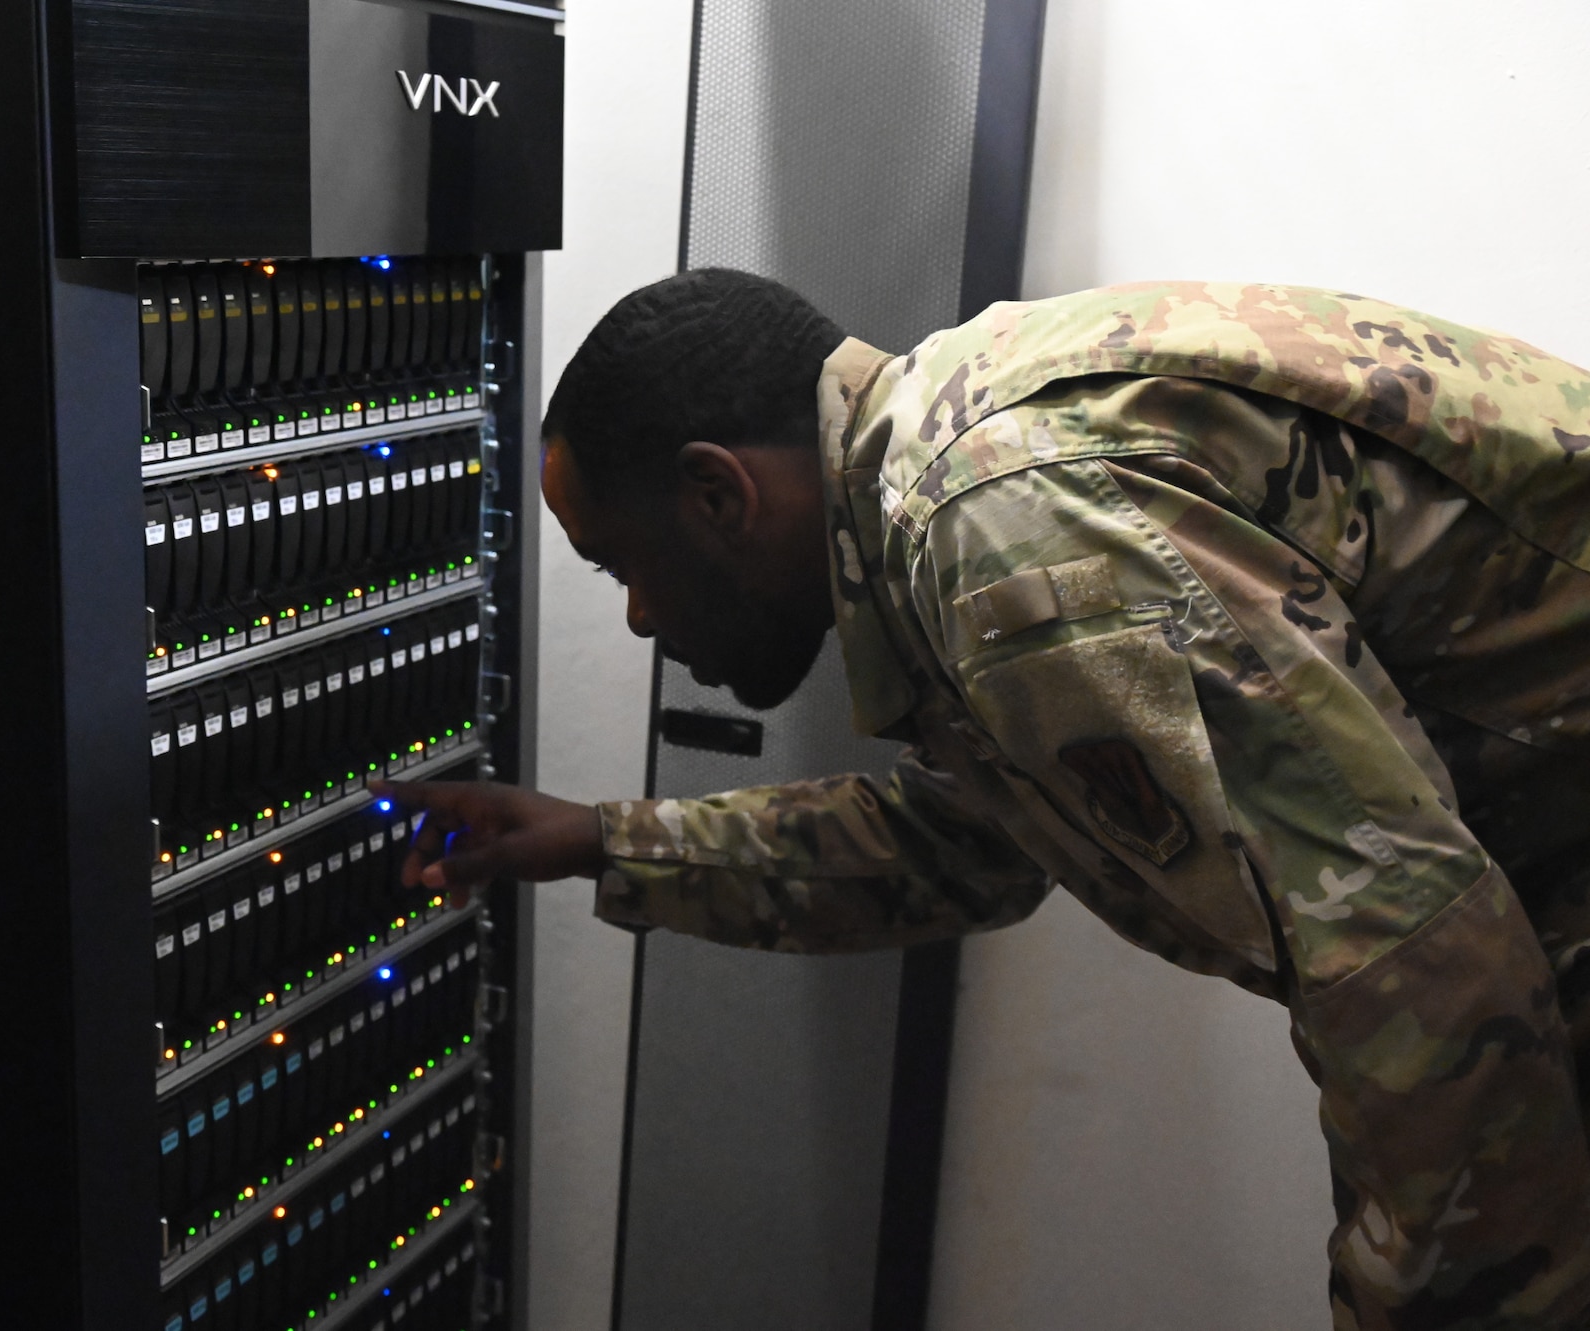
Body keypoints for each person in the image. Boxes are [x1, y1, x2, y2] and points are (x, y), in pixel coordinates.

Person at [377, 269, 1590, 1330]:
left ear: (716, 495)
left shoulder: (1001, 532)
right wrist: (599, 839)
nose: (639, 616)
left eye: (621, 566)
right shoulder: (947, 457)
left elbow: (1419, 977)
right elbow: (982, 837)